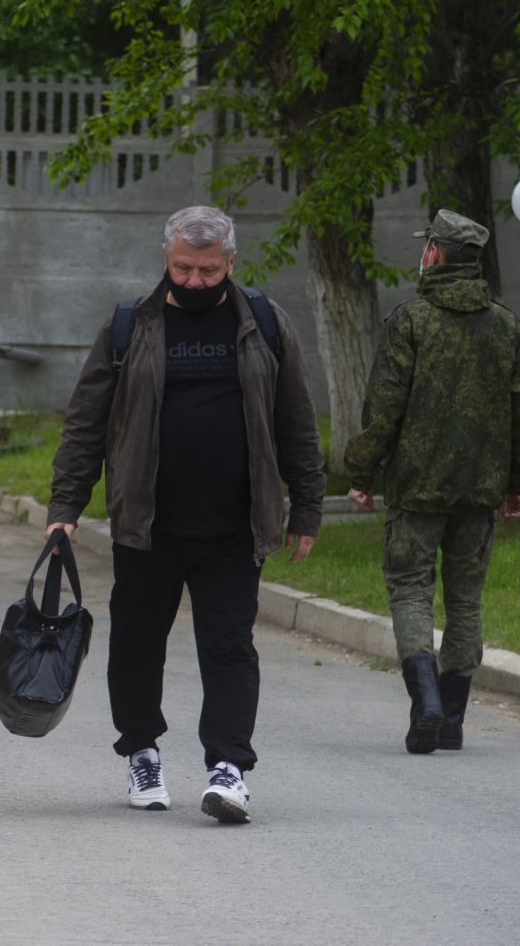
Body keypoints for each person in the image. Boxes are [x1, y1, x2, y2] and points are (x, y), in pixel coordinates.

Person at [45, 205, 325, 822]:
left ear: (231, 262)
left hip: (233, 526)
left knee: (229, 647)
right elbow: (86, 421)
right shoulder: (128, 326)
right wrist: (65, 506)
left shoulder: (266, 325)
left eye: (206, 269)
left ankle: (228, 768)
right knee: (138, 646)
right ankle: (141, 750)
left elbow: (296, 421)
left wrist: (307, 504)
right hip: (146, 526)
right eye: (182, 268)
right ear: (166, 259)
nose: (194, 280)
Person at [344, 209, 520, 753]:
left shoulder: (410, 320)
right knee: (466, 600)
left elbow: (383, 410)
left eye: (425, 245)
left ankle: (425, 702)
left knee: (410, 590)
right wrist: (517, 481)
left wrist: (361, 472)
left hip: (415, 487)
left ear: (433, 253)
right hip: (479, 490)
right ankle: (452, 718)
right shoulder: (505, 325)